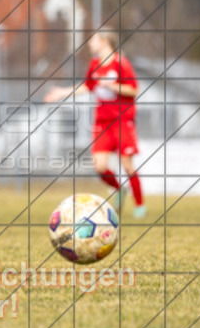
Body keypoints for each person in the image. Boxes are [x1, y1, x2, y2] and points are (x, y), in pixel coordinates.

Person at [44, 29, 145, 218]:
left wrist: (111, 85)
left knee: (127, 164)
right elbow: (87, 86)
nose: (90, 44)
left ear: (105, 41)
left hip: (122, 120)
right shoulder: (94, 64)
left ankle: (140, 204)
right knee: (99, 166)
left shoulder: (120, 63)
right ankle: (119, 189)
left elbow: (133, 90)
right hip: (102, 122)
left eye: (93, 40)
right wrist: (61, 93)